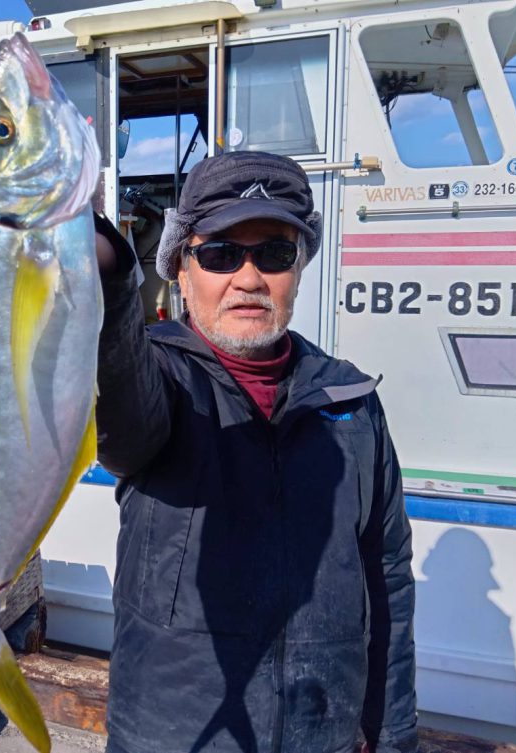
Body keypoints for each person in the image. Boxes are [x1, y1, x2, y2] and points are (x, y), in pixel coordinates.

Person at [93, 151, 417, 753]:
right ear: (180, 269)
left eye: (273, 253)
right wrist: (108, 275)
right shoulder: (158, 376)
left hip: (323, 735)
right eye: (219, 254)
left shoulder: (351, 399)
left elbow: (388, 575)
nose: (248, 279)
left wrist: (394, 735)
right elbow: (122, 422)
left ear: (299, 268)